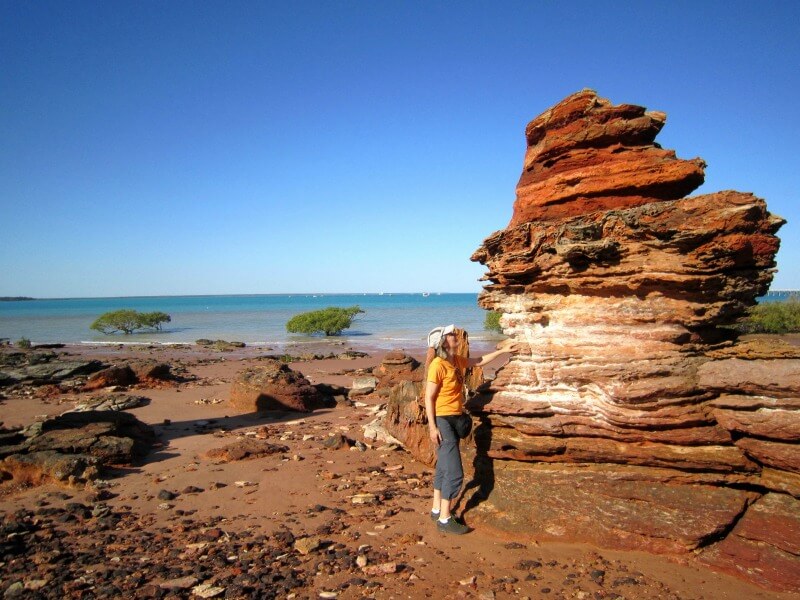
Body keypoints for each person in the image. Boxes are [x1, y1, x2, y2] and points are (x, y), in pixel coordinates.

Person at [425, 324, 517, 534]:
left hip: (456, 418)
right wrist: (432, 427)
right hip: (443, 420)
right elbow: (428, 398)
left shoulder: (456, 360)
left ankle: (436, 507)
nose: (455, 336)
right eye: (450, 334)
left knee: (443, 466)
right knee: (456, 474)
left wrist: (503, 351)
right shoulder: (437, 365)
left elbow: (479, 361)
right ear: (443, 342)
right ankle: (445, 520)